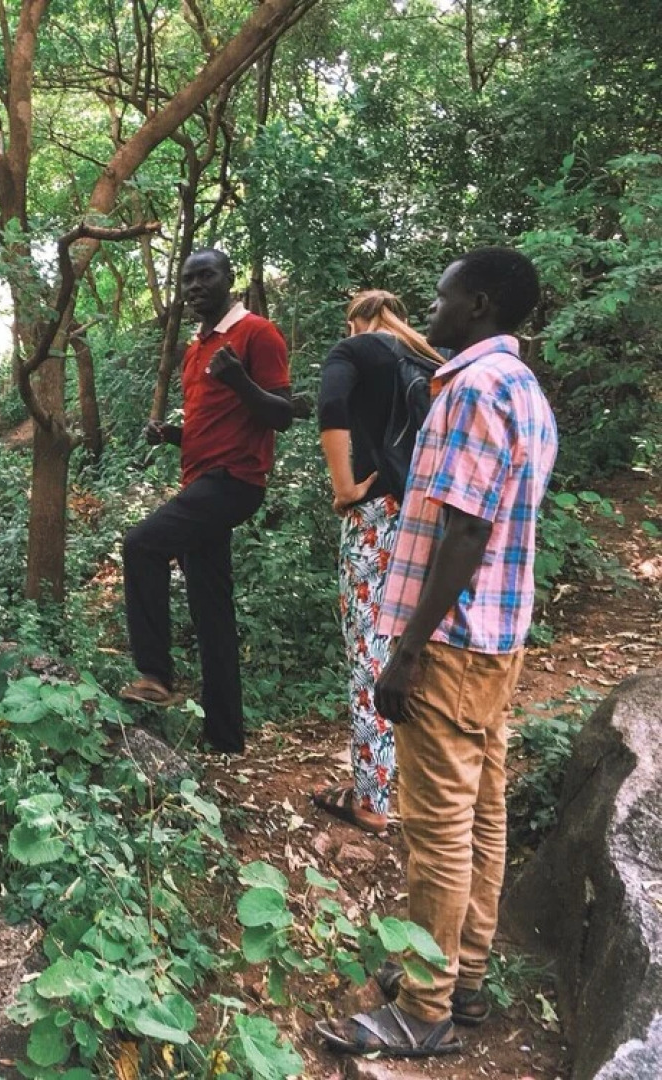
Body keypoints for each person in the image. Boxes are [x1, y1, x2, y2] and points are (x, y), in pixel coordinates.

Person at [317, 248, 557, 1059]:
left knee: (438, 828)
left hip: (449, 645)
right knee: (483, 810)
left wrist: (405, 652)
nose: (432, 308)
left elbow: (465, 531)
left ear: (479, 304)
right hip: (497, 638)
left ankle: (424, 1008)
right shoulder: (524, 388)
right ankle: (466, 977)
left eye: (445, 296)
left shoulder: (474, 389)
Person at [119, 248, 294, 754]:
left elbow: (283, 414)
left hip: (235, 480)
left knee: (142, 545)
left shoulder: (257, 333)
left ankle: (154, 674)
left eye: (205, 276)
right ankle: (226, 737)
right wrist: (173, 435)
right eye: (187, 279)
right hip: (201, 480)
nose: (194, 286)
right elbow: (215, 423)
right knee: (210, 608)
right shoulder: (195, 349)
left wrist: (239, 378)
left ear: (229, 279)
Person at [311, 292, 446, 835]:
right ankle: (416, 779)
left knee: (370, 650)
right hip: (432, 518)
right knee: (415, 648)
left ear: (358, 319)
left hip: (377, 517)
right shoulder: (431, 360)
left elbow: (330, 406)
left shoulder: (355, 349)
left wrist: (344, 486)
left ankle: (371, 799)